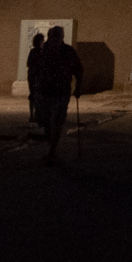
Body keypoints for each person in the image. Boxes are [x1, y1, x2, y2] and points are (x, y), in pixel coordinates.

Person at [32, 25, 84, 164]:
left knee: (57, 121)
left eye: (58, 36)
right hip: (43, 92)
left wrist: (78, 87)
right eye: (54, 36)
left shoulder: (68, 51)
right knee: (45, 121)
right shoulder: (42, 51)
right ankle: (51, 145)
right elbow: (34, 70)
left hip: (61, 92)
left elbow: (78, 70)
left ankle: (52, 151)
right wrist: (34, 90)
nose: (56, 39)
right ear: (49, 36)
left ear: (62, 37)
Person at [26, 31, 46, 126]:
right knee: (39, 95)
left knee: (33, 95)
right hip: (38, 76)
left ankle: (32, 116)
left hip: (32, 75)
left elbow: (28, 63)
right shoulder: (42, 53)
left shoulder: (32, 51)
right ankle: (38, 115)